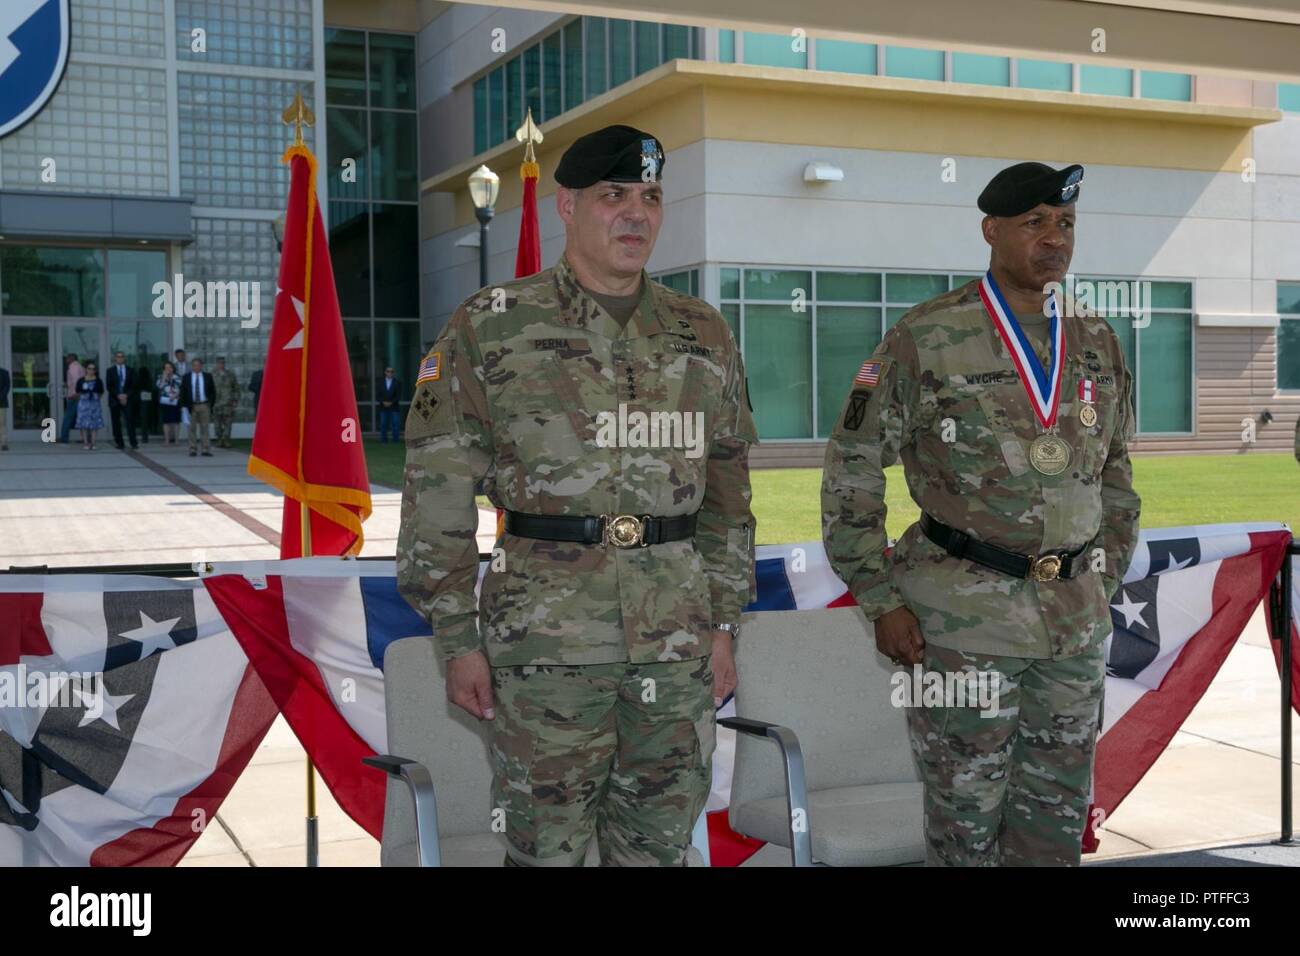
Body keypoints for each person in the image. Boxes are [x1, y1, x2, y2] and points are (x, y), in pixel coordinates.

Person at [397, 124, 758, 867]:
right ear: (566, 206)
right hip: (545, 645)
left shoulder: (704, 334)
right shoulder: (491, 328)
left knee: (660, 848)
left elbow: (727, 496)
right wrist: (458, 640)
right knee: (543, 850)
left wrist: (725, 626)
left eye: (651, 198)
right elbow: (438, 494)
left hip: (676, 643)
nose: (636, 215)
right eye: (613, 196)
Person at [822, 161, 1141, 867]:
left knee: (1054, 827)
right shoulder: (925, 336)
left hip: (1072, 630)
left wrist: (1099, 581)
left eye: (1065, 223)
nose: (1054, 238)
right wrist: (879, 599)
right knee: (965, 824)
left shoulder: (1098, 341)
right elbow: (851, 468)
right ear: (991, 230)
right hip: (961, 627)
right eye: (1035, 223)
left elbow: (1116, 476)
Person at [181, 357, 216, 457]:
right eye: (194, 365)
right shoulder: (186, 377)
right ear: (191, 366)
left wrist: (210, 404)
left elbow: (213, 392)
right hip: (191, 406)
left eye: (198, 365)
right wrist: (183, 406)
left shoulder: (208, 376)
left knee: (205, 428)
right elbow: (183, 392)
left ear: (201, 366)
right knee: (191, 428)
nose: (196, 367)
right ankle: (193, 449)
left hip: (204, 405)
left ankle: (205, 449)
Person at [105, 350, 138, 450]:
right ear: (115, 358)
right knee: (116, 422)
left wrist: (126, 395)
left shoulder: (130, 370)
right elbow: (109, 386)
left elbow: (134, 385)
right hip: (115, 399)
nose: (120, 358)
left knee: (130, 421)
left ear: (124, 358)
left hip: (128, 399)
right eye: (118, 356)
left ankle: (133, 442)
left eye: (122, 356)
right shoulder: (110, 371)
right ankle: (119, 442)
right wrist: (119, 395)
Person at [74, 361, 105, 450]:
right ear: (86, 369)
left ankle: (93, 443)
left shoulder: (98, 380)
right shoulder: (81, 380)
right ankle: (86, 443)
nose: (91, 371)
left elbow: (101, 392)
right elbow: (77, 391)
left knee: (94, 424)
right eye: (89, 369)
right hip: (83, 404)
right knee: (83, 424)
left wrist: (96, 399)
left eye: (93, 369)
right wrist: (83, 399)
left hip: (94, 404)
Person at [212, 356, 239, 448]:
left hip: (228, 403)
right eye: (219, 363)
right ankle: (220, 439)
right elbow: (208, 389)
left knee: (228, 423)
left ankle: (226, 440)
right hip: (216, 403)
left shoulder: (231, 375)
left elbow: (236, 388)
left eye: (223, 363)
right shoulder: (212, 375)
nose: (221, 364)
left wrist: (235, 400)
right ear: (216, 364)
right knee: (217, 424)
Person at [156, 361, 182, 445]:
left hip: (175, 400)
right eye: (166, 368)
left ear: (173, 368)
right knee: (166, 421)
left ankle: (176, 440)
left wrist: (175, 395)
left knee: (176, 421)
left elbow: (181, 388)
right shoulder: (160, 377)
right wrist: (164, 377)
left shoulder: (177, 377)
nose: (168, 369)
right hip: (165, 401)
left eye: (170, 367)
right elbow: (159, 387)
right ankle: (167, 440)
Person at [60, 353, 83, 444]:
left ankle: (64, 438)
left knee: (68, 417)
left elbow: (76, 380)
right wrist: (67, 384)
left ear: (71, 358)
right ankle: (85, 438)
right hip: (78, 395)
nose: (66, 360)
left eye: (67, 359)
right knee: (81, 417)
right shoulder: (79, 366)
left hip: (74, 396)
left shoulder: (73, 367)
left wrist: (75, 393)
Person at [377, 366, 401, 442]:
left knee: (395, 424)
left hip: (394, 407)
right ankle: (383, 440)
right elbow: (377, 395)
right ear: (385, 372)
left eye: (391, 372)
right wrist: (383, 402)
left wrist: (391, 402)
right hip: (383, 407)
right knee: (383, 424)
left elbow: (399, 395)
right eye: (388, 371)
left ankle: (395, 440)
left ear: (393, 373)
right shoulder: (380, 382)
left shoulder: (397, 382)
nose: (390, 373)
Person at [0, 363, 9, 451]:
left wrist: (0, 397)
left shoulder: (4, 373)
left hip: (1, 403)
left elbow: (7, 387)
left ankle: (4, 444)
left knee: (2, 424)